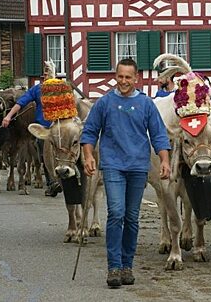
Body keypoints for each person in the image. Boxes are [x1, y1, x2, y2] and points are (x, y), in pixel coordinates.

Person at [80, 58, 171, 288]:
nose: (123, 81)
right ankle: (113, 266)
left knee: (131, 217)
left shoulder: (146, 104)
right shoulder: (105, 103)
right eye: (120, 77)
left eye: (128, 77)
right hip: (112, 165)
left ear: (136, 78)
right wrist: (89, 155)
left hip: (138, 166)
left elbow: (159, 134)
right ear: (116, 77)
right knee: (116, 213)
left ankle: (127, 264)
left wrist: (164, 160)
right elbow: (89, 132)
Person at [2, 63, 62, 197]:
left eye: (47, 73)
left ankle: (60, 182)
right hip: (44, 129)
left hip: (61, 128)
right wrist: (8, 116)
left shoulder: (61, 89)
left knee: (62, 155)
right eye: (44, 74)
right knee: (46, 155)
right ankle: (52, 183)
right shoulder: (37, 89)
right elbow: (21, 102)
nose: (45, 76)